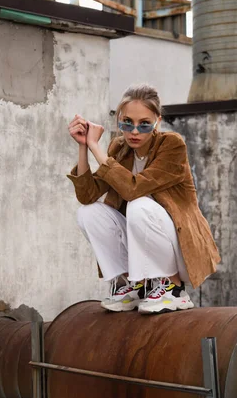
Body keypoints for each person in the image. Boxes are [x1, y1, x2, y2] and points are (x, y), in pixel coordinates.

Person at [67, 84, 220, 314]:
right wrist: (83, 146)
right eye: (127, 123)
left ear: (157, 121)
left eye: (144, 124)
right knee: (88, 213)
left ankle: (173, 288)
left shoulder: (172, 145)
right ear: (119, 120)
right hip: (143, 253)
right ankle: (131, 286)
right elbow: (87, 195)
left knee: (138, 205)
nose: (134, 131)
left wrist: (95, 147)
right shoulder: (120, 148)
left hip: (181, 249)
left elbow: (132, 189)